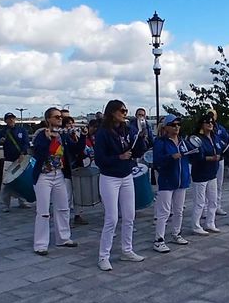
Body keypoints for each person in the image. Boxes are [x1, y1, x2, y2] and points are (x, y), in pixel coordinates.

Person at [94, 99, 148, 271]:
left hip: (126, 176)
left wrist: (140, 139)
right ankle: (103, 256)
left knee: (129, 215)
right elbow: (100, 159)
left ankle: (127, 249)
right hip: (109, 177)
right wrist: (119, 157)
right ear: (112, 112)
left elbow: (138, 151)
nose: (124, 113)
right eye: (121, 111)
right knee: (112, 217)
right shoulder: (103, 133)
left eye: (125, 111)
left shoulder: (128, 129)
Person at [31, 107, 83, 256]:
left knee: (63, 208)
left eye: (61, 117)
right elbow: (39, 152)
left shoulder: (63, 135)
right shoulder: (41, 134)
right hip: (43, 176)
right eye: (56, 117)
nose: (60, 119)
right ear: (48, 119)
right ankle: (40, 244)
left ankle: (63, 238)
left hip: (58, 174)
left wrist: (82, 137)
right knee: (43, 211)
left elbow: (75, 149)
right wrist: (48, 140)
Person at [152, 114, 191, 252]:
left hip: (181, 179)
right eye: (173, 125)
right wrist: (170, 157)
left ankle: (176, 233)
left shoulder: (183, 141)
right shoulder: (160, 142)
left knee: (179, 210)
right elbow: (156, 160)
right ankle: (159, 239)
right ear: (166, 127)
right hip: (167, 180)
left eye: (178, 125)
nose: (176, 127)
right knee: (164, 211)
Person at [190, 112, 223, 235]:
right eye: (207, 122)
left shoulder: (214, 137)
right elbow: (197, 156)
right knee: (200, 201)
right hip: (200, 173)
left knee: (213, 200)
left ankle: (210, 222)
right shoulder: (197, 138)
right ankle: (196, 224)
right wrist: (211, 158)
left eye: (212, 122)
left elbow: (220, 149)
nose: (210, 124)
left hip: (212, 172)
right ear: (202, 124)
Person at [0, 112, 31, 212]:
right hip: (9, 160)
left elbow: (26, 142)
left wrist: (22, 153)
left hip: (20, 160)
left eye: (12, 118)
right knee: (6, 183)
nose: (11, 120)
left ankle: (22, 201)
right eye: (9, 119)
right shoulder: (3, 131)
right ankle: (5, 205)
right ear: (5, 120)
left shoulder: (21, 130)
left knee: (22, 181)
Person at [61, 116, 89, 225]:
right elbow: (73, 149)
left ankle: (77, 215)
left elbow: (80, 148)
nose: (71, 126)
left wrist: (82, 136)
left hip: (77, 167)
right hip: (67, 169)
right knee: (67, 196)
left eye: (72, 124)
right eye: (68, 124)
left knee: (78, 194)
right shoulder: (63, 136)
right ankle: (65, 220)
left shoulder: (74, 136)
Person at [208, 109, 229, 216]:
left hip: (220, 158)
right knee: (208, 185)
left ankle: (218, 206)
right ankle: (207, 207)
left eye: (213, 115)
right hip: (209, 160)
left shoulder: (220, 129)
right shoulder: (205, 128)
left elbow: (227, 140)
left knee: (219, 184)